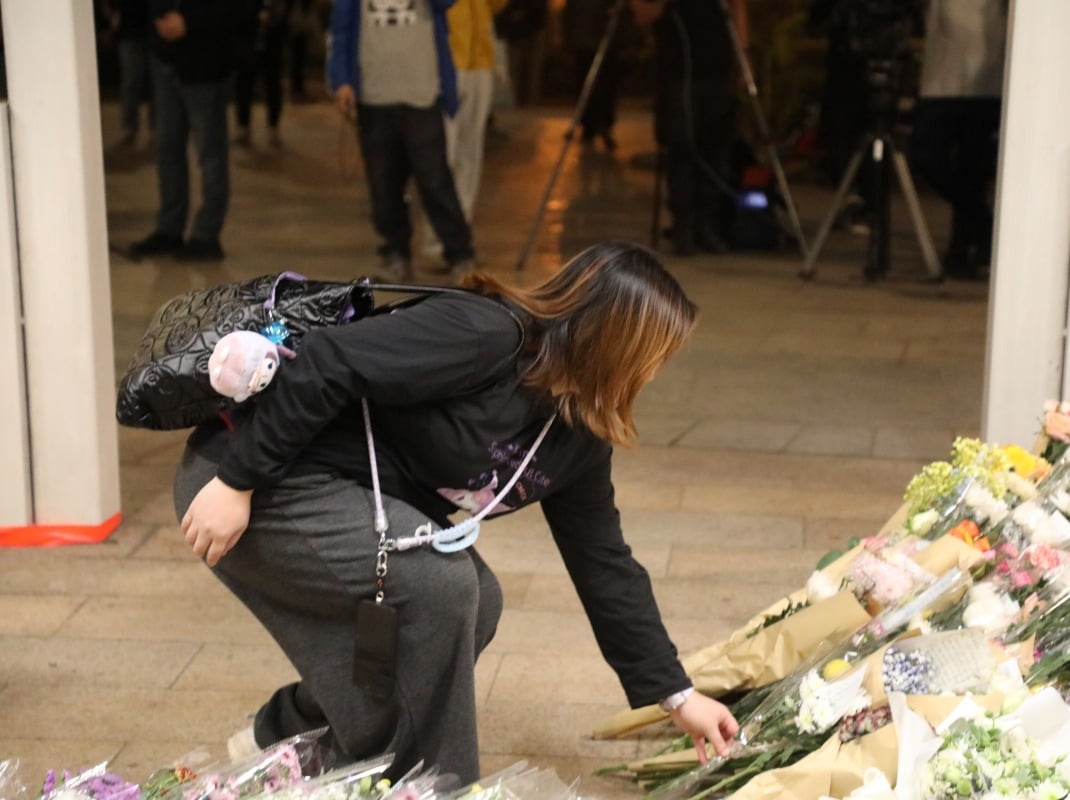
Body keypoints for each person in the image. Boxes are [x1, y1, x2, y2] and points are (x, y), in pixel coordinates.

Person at [173, 242, 740, 782]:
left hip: (338, 496)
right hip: (254, 481)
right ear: (620, 344)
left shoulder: (574, 434)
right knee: (441, 587)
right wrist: (237, 482)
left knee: (478, 599)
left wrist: (677, 695)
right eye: (657, 354)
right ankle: (432, 786)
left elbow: (605, 563)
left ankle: (288, 736)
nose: (655, 371)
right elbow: (327, 359)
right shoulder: (485, 333)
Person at [328, 0, 477, 282]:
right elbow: (341, 29)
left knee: (435, 181)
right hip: (374, 96)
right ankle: (395, 253)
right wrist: (341, 80)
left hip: (422, 94)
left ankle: (461, 255)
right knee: (383, 185)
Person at [129, 0, 244, 262]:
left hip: (205, 63)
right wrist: (158, 19)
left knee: (210, 154)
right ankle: (169, 228)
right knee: (167, 149)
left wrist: (190, 22)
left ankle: (207, 234)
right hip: (165, 58)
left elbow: (237, 9)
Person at [630, 0, 746, 257]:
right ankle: (683, 223)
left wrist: (743, 57)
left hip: (717, 64)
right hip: (677, 70)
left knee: (715, 146)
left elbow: (737, 7)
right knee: (680, 146)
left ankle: (707, 223)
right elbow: (642, 13)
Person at [910, 0, 1006, 280]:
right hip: (938, 82)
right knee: (926, 157)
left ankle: (960, 251)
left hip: (987, 83)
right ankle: (986, 228)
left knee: (973, 171)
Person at [418, 0, 508, 263]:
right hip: (443, 59)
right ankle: (436, 242)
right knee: (442, 156)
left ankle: (459, 239)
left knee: (470, 156)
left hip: (479, 59)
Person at [562, 0, 628, 153]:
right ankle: (589, 126)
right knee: (586, 85)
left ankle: (603, 125)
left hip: (605, 42)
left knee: (606, 88)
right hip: (584, 43)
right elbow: (569, 16)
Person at [235, 0, 290, 149]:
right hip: (248, 41)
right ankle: (243, 125)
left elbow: (285, 10)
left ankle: (273, 126)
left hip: (272, 43)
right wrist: (255, 16)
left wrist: (274, 18)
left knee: (273, 85)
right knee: (244, 85)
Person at [107, 0, 155, 148]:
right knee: (131, 82)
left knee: (155, 84)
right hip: (129, 29)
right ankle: (129, 130)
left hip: (153, 27)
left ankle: (156, 130)